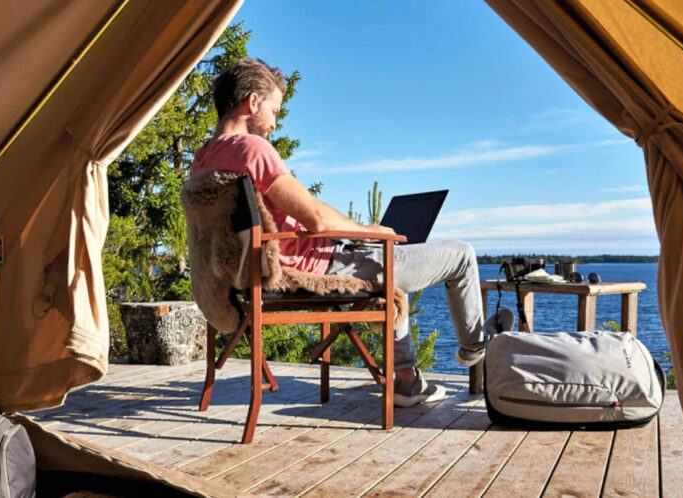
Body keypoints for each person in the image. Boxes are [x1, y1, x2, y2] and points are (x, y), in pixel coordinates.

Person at [191, 58, 492, 407]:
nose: (274, 123)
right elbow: (315, 218)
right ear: (252, 103)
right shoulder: (251, 149)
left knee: (389, 287)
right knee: (462, 255)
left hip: (252, 273)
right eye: (274, 110)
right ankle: (475, 347)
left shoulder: (203, 159)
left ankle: (408, 383)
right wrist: (368, 231)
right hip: (314, 267)